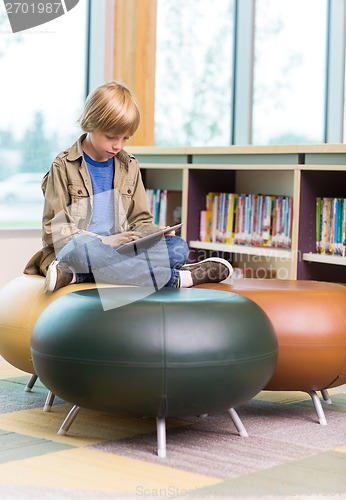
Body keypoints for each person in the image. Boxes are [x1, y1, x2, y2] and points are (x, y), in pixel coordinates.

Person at [24, 81, 233, 292]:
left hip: (122, 252)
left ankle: (75, 276)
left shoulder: (129, 166)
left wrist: (154, 233)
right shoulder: (63, 165)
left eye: (125, 138)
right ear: (90, 124)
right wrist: (105, 241)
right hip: (81, 251)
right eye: (111, 137)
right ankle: (178, 279)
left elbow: (139, 220)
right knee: (83, 252)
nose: (118, 146)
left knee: (178, 249)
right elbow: (55, 231)